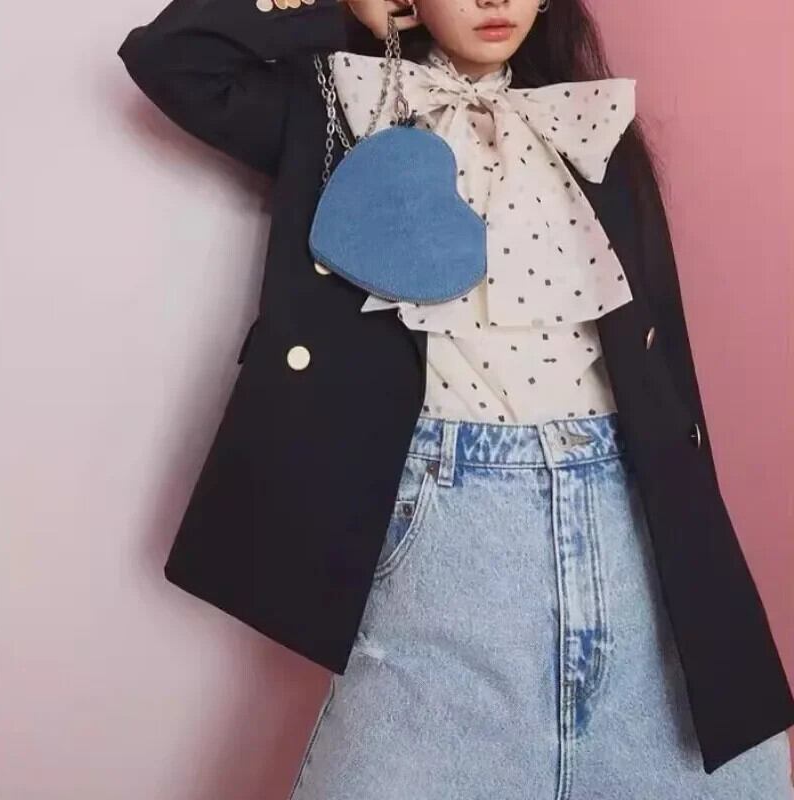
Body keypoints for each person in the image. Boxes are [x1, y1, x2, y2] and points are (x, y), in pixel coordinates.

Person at [117, 0, 794, 796]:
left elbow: (665, 371)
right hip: (447, 543)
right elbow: (173, 56)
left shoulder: (588, 124)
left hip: (632, 545)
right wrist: (345, 7)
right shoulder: (343, 108)